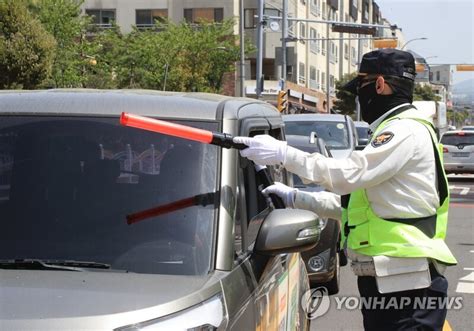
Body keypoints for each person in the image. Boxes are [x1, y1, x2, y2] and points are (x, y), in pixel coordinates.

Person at [234, 49, 457, 331]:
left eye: (361, 89)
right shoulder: (400, 130)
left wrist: (283, 154)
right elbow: (355, 208)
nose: (360, 99)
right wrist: (296, 198)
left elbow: (346, 175)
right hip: (393, 281)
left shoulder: (403, 131)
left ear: (379, 85)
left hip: (408, 285)